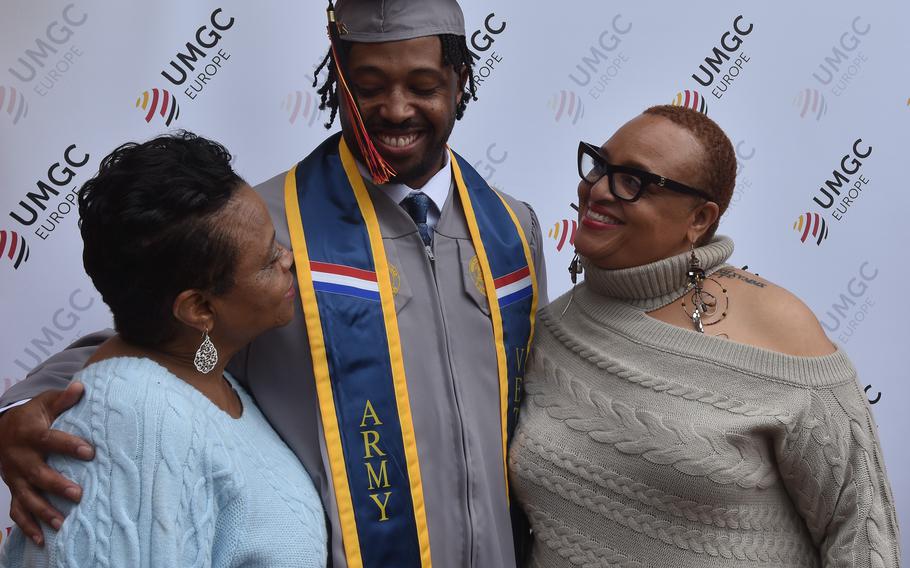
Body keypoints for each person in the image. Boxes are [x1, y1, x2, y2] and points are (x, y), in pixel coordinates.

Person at [0, 1, 547, 566]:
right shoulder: (268, 229)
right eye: (368, 85)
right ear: (338, 82)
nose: (396, 108)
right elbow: (156, 349)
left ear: (460, 82)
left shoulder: (511, 229)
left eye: (424, 85)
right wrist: (17, 412)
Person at [508, 105, 900, 567]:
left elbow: (858, 530)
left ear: (699, 218)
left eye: (633, 180)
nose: (597, 189)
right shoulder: (553, 327)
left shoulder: (779, 327)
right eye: (600, 165)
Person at [0, 132, 327, 567]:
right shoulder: (135, 421)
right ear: (200, 309)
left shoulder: (207, 381)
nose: (289, 259)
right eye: (268, 260)